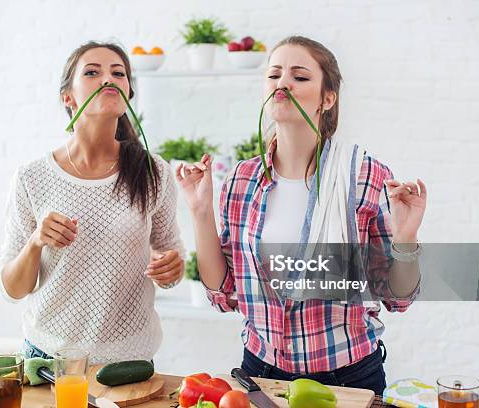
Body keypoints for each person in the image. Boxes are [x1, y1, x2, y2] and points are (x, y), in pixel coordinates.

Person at [177, 35, 426, 394]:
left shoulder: (365, 176)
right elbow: (224, 292)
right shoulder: (241, 180)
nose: (283, 83)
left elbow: (397, 298)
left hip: (349, 378)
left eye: (300, 76)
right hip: (260, 372)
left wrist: (406, 239)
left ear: (328, 98)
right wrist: (200, 212)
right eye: (274, 75)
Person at [0, 41, 184, 363]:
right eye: (92, 72)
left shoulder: (154, 172)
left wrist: (171, 268)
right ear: (67, 97)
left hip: (129, 360)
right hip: (47, 356)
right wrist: (36, 241)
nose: (107, 79)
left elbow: (171, 259)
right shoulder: (32, 177)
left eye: (118, 73)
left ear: (128, 95)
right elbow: (13, 289)